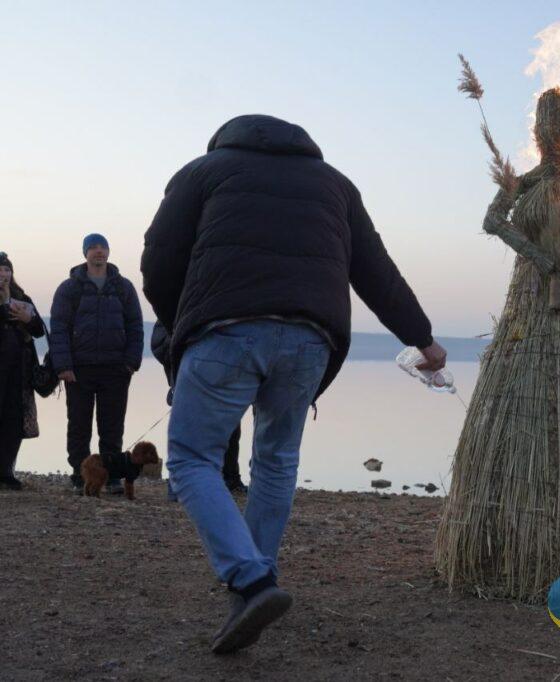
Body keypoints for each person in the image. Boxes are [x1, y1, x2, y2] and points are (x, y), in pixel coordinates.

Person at [141, 114, 446, 654]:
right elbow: (376, 270)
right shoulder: (335, 185)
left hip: (224, 332)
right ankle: (253, 588)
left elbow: (160, 257)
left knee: (190, 458)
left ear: (226, 140)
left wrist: (175, 327)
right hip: (310, 338)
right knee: (277, 461)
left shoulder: (203, 172)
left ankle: (251, 580)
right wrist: (423, 339)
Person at [49, 234, 144, 495]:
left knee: (112, 425)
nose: (99, 252)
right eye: (93, 248)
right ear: (85, 253)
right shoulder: (69, 288)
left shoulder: (123, 287)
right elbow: (58, 328)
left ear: (109, 252)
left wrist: (131, 362)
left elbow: (135, 326)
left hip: (115, 369)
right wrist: (63, 366)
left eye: (103, 247)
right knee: (78, 425)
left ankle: (111, 475)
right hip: (79, 369)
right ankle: (81, 475)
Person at [152, 321, 247, 496]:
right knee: (188, 432)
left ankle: (230, 478)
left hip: (227, 379)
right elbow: (158, 342)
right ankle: (180, 485)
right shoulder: (175, 303)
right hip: (187, 378)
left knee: (231, 432)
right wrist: (183, 348)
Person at [0, 252, 46, 490]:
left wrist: (28, 318)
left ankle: (6, 471)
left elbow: (40, 331)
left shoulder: (22, 296)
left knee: (14, 418)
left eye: (6, 270)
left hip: (19, 369)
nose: (3, 275)